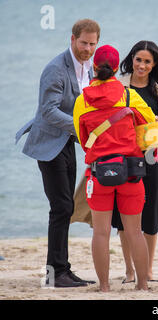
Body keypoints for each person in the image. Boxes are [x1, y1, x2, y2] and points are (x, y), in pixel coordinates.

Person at [15, 19, 100, 287]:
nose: (87, 49)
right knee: (61, 207)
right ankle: (55, 273)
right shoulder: (55, 69)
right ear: (72, 39)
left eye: (92, 44)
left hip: (67, 142)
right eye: (84, 43)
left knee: (66, 206)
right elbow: (48, 111)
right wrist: (82, 126)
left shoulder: (89, 68)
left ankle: (63, 269)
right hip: (48, 142)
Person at [73, 45, 156, 292]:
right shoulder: (129, 96)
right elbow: (150, 124)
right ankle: (141, 285)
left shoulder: (82, 100)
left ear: (94, 67)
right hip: (130, 171)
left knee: (100, 233)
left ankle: (105, 287)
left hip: (100, 173)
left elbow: (82, 136)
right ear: (118, 67)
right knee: (135, 232)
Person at [112, 40, 158, 283]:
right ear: (132, 59)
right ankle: (130, 270)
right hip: (123, 156)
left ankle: (148, 270)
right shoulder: (118, 84)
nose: (141, 65)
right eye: (138, 59)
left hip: (153, 156)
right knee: (124, 214)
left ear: (154, 65)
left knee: (151, 211)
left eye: (147, 61)